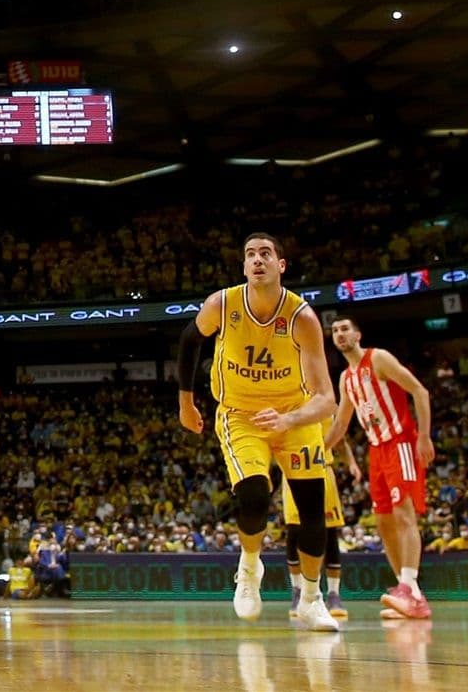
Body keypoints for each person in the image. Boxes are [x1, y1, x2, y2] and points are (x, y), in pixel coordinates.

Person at [175, 232, 339, 631]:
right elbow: (188, 340)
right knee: (253, 494)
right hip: (241, 414)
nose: (257, 260)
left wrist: (290, 420)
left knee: (312, 512)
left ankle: (313, 600)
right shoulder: (223, 304)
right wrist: (185, 402)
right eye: (250, 254)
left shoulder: (302, 318)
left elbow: (326, 400)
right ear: (244, 266)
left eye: (266, 254)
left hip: (293, 415)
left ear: (281, 265)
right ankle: (249, 569)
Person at [324, 314, 434, 619]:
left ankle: (410, 587)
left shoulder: (379, 359)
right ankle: (407, 590)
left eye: (345, 328)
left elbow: (420, 392)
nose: (340, 334)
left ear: (358, 335)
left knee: (403, 515)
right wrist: (319, 450)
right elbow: (341, 422)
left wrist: (423, 437)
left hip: (400, 443)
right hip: (376, 451)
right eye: (335, 331)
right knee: (384, 523)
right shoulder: (347, 378)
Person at [281, 460, 347, 620]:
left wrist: (348, 460)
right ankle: (297, 591)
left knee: (330, 531)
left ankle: (333, 595)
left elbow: (342, 438)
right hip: (293, 466)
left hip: (322, 466)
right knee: (295, 529)